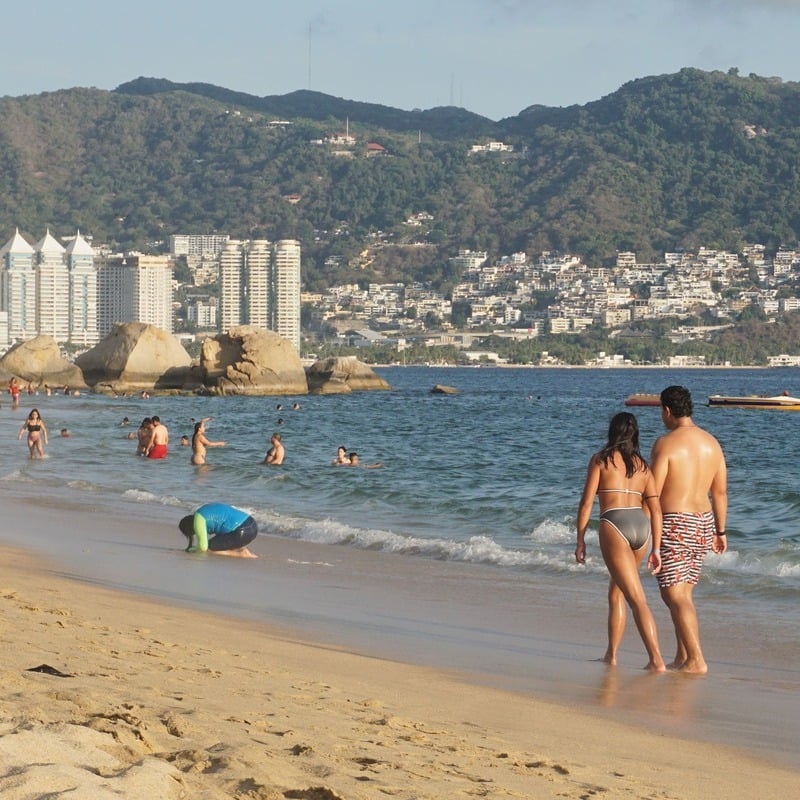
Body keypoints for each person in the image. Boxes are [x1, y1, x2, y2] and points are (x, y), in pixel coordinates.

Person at [576, 412, 665, 672]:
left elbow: (586, 503)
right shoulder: (643, 466)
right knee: (616, 592)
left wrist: (580, 539)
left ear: (612, 431)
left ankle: (656, 660)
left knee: (636, 598)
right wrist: (656, 548)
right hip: (641, 528)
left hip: (614, 524)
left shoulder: (601, 460)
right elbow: (656, 510)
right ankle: (611, 655)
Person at [650, 385, 728, 674]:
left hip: (675, 521)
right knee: (683, 592)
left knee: (675, 594)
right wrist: (721, 531)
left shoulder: (666, 444)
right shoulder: (712, 443)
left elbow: (653, 492)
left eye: (661, 412)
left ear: (667, 410)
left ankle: (696, 659)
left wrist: (644, 529)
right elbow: (719, 493)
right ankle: (682, 656)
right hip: (704, 522)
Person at [179, 503, 258, 558]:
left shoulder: (198, 519)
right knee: (218, 540)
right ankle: (240, 547)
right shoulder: (203, 510)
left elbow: (203, 547)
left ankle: (241, 554)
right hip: (252, 525)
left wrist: (192, 549)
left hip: (242, 531)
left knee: (208, 549)